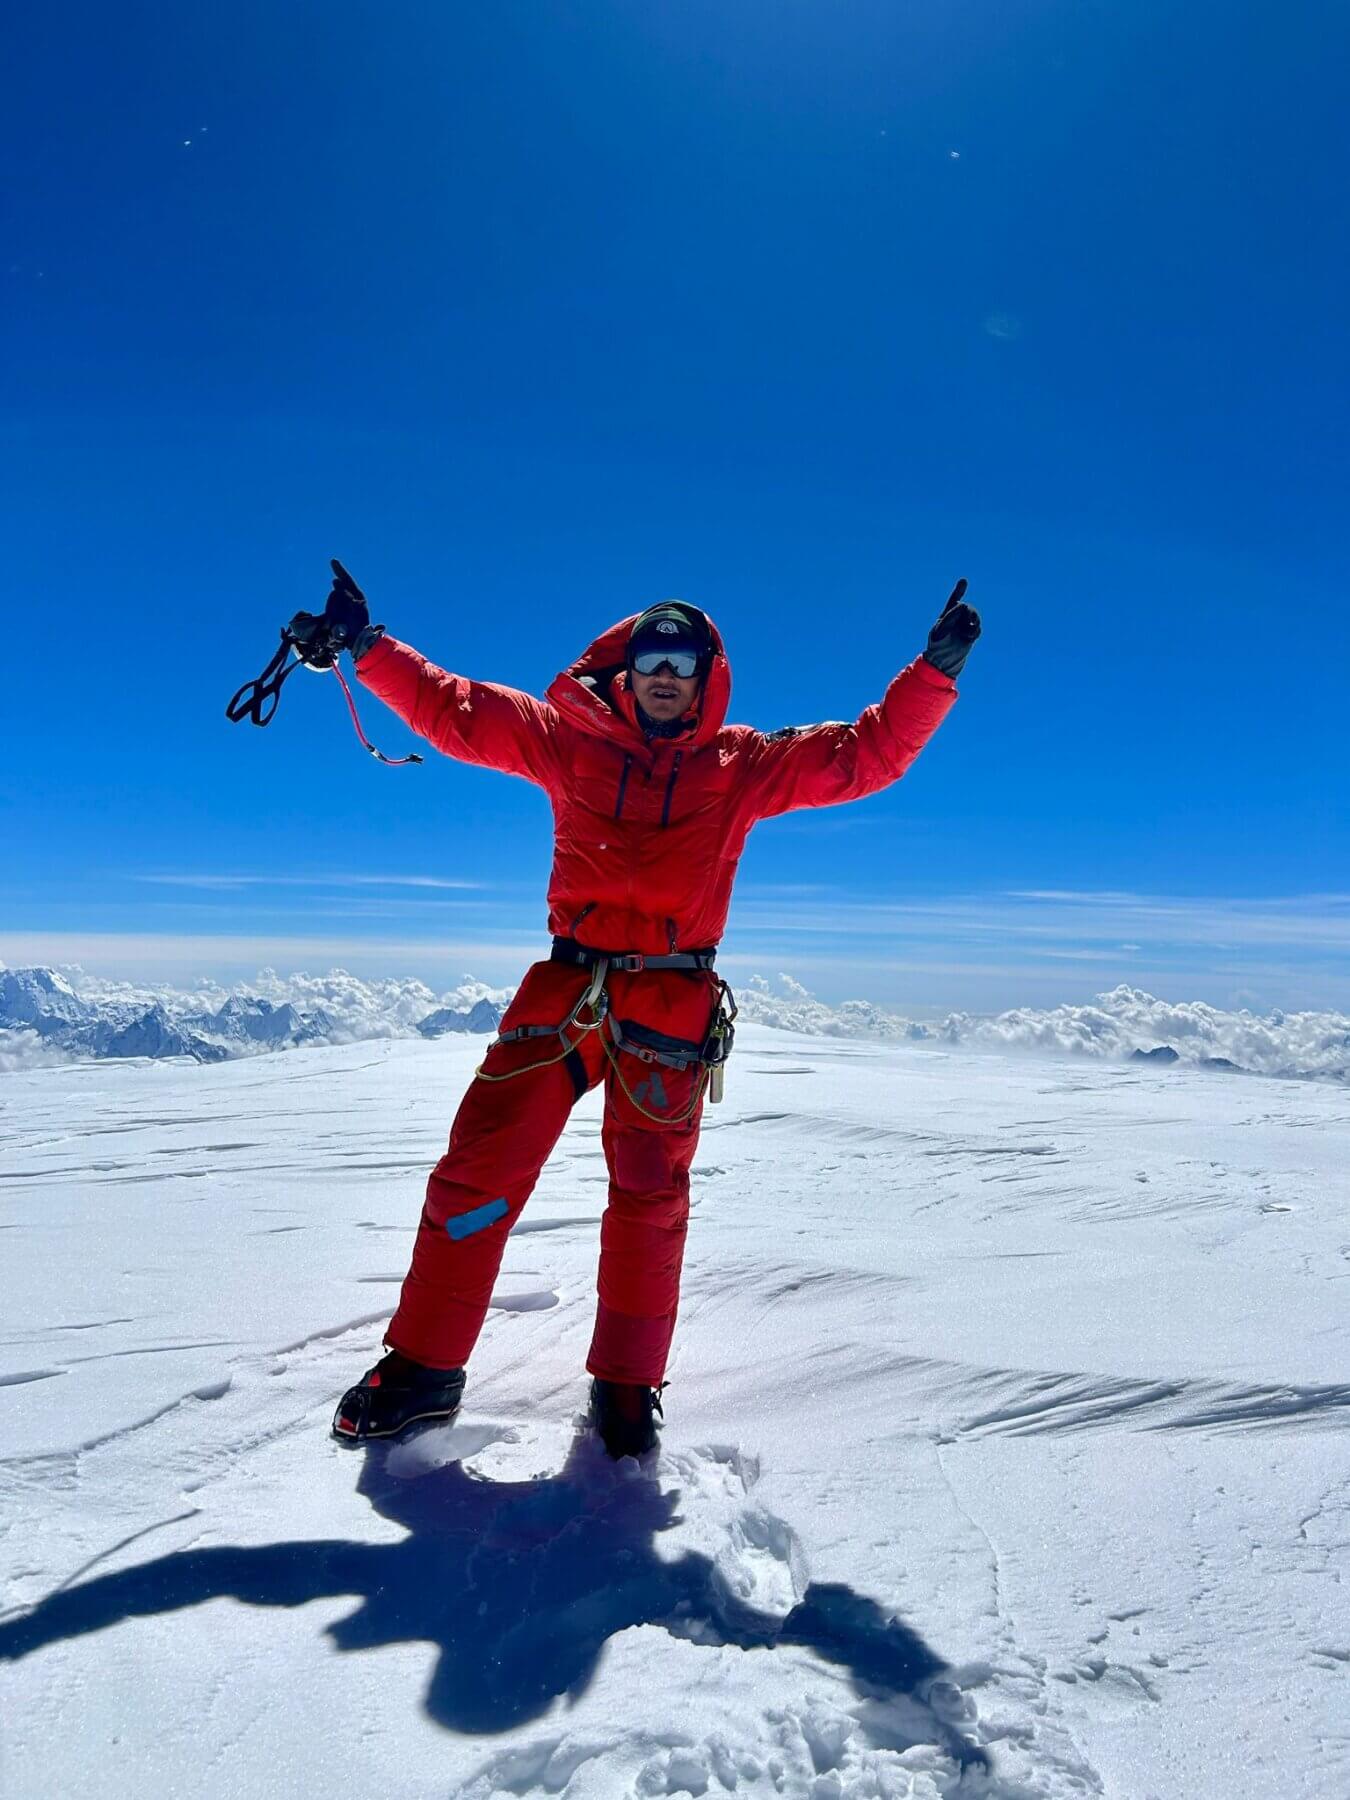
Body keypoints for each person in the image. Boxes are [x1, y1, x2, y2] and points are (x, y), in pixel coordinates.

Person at [292, 567, 980, 1456]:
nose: (665, 673)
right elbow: (453, 710)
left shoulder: (742, 765)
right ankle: (424, 1371)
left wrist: (932, 677)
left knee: (651, 1201)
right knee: (477, 1169)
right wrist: (367, 645)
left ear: (705, 678)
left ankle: (626, 1387)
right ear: (626, 666)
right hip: (565, 990)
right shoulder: (562, 737)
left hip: (670, 998)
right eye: (652, 655)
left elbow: (862, 755)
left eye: (683, 662)